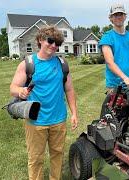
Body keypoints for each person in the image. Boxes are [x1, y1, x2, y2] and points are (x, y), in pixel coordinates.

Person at [10, 26, 78, 180]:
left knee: (57, 155)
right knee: (36, 159)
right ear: (40, 40)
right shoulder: (28, 63)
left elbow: (69, 90)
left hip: (59, 120)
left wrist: (74, 113)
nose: (54, 46)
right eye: (51, 41)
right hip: (36, 121)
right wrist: (21, 91)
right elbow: (13, 88)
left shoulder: (62, 64)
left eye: (57, 43)